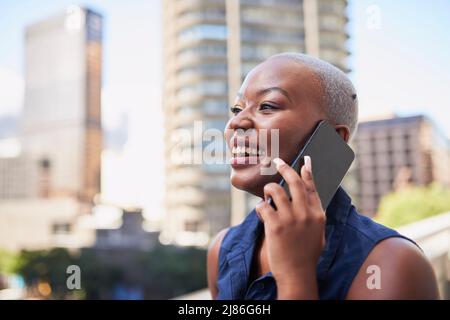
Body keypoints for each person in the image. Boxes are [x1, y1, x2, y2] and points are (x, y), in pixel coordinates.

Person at [207, 52, 439, 300]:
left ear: (332, 139)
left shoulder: (394, 265)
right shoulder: (222, 250)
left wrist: (296, 277)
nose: (236, 122)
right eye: (236, 108)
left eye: (267, 106)